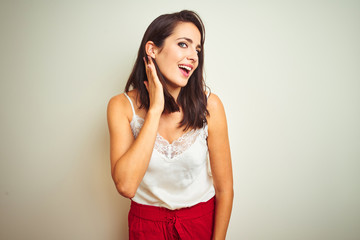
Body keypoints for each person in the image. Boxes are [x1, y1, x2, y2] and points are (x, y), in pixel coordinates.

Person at [107, 10, 233, 240]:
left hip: (200, 226)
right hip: (146, 229)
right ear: (152, 49)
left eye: (197, 49)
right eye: (183, 44)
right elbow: (125, 185)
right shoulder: (121, 106)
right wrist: (155, 109)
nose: (194, 56)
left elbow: (225, 190)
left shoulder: (211, 105)